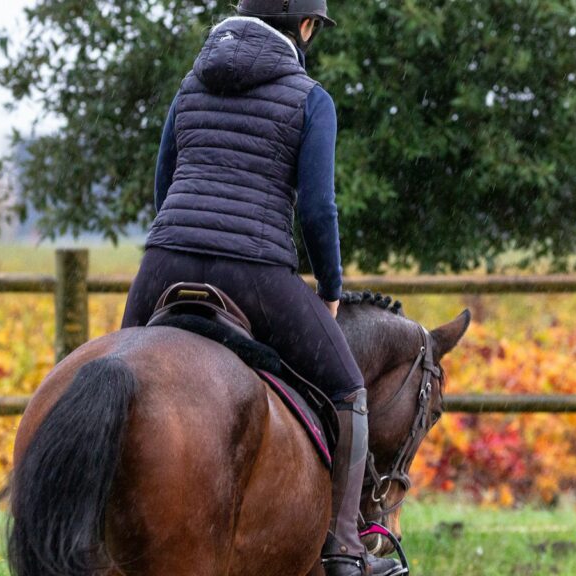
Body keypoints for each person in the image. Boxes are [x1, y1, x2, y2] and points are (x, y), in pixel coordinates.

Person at [120, 2, 404, 575]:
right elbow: (319, 212)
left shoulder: (190, 86)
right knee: (349, 388)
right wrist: (330, 285)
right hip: (254, 270)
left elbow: (164, 180)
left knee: (118, 379)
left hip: (164, 261)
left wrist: (180, 250)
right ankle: (345, 547)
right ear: (304, 26)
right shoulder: (309, 97)